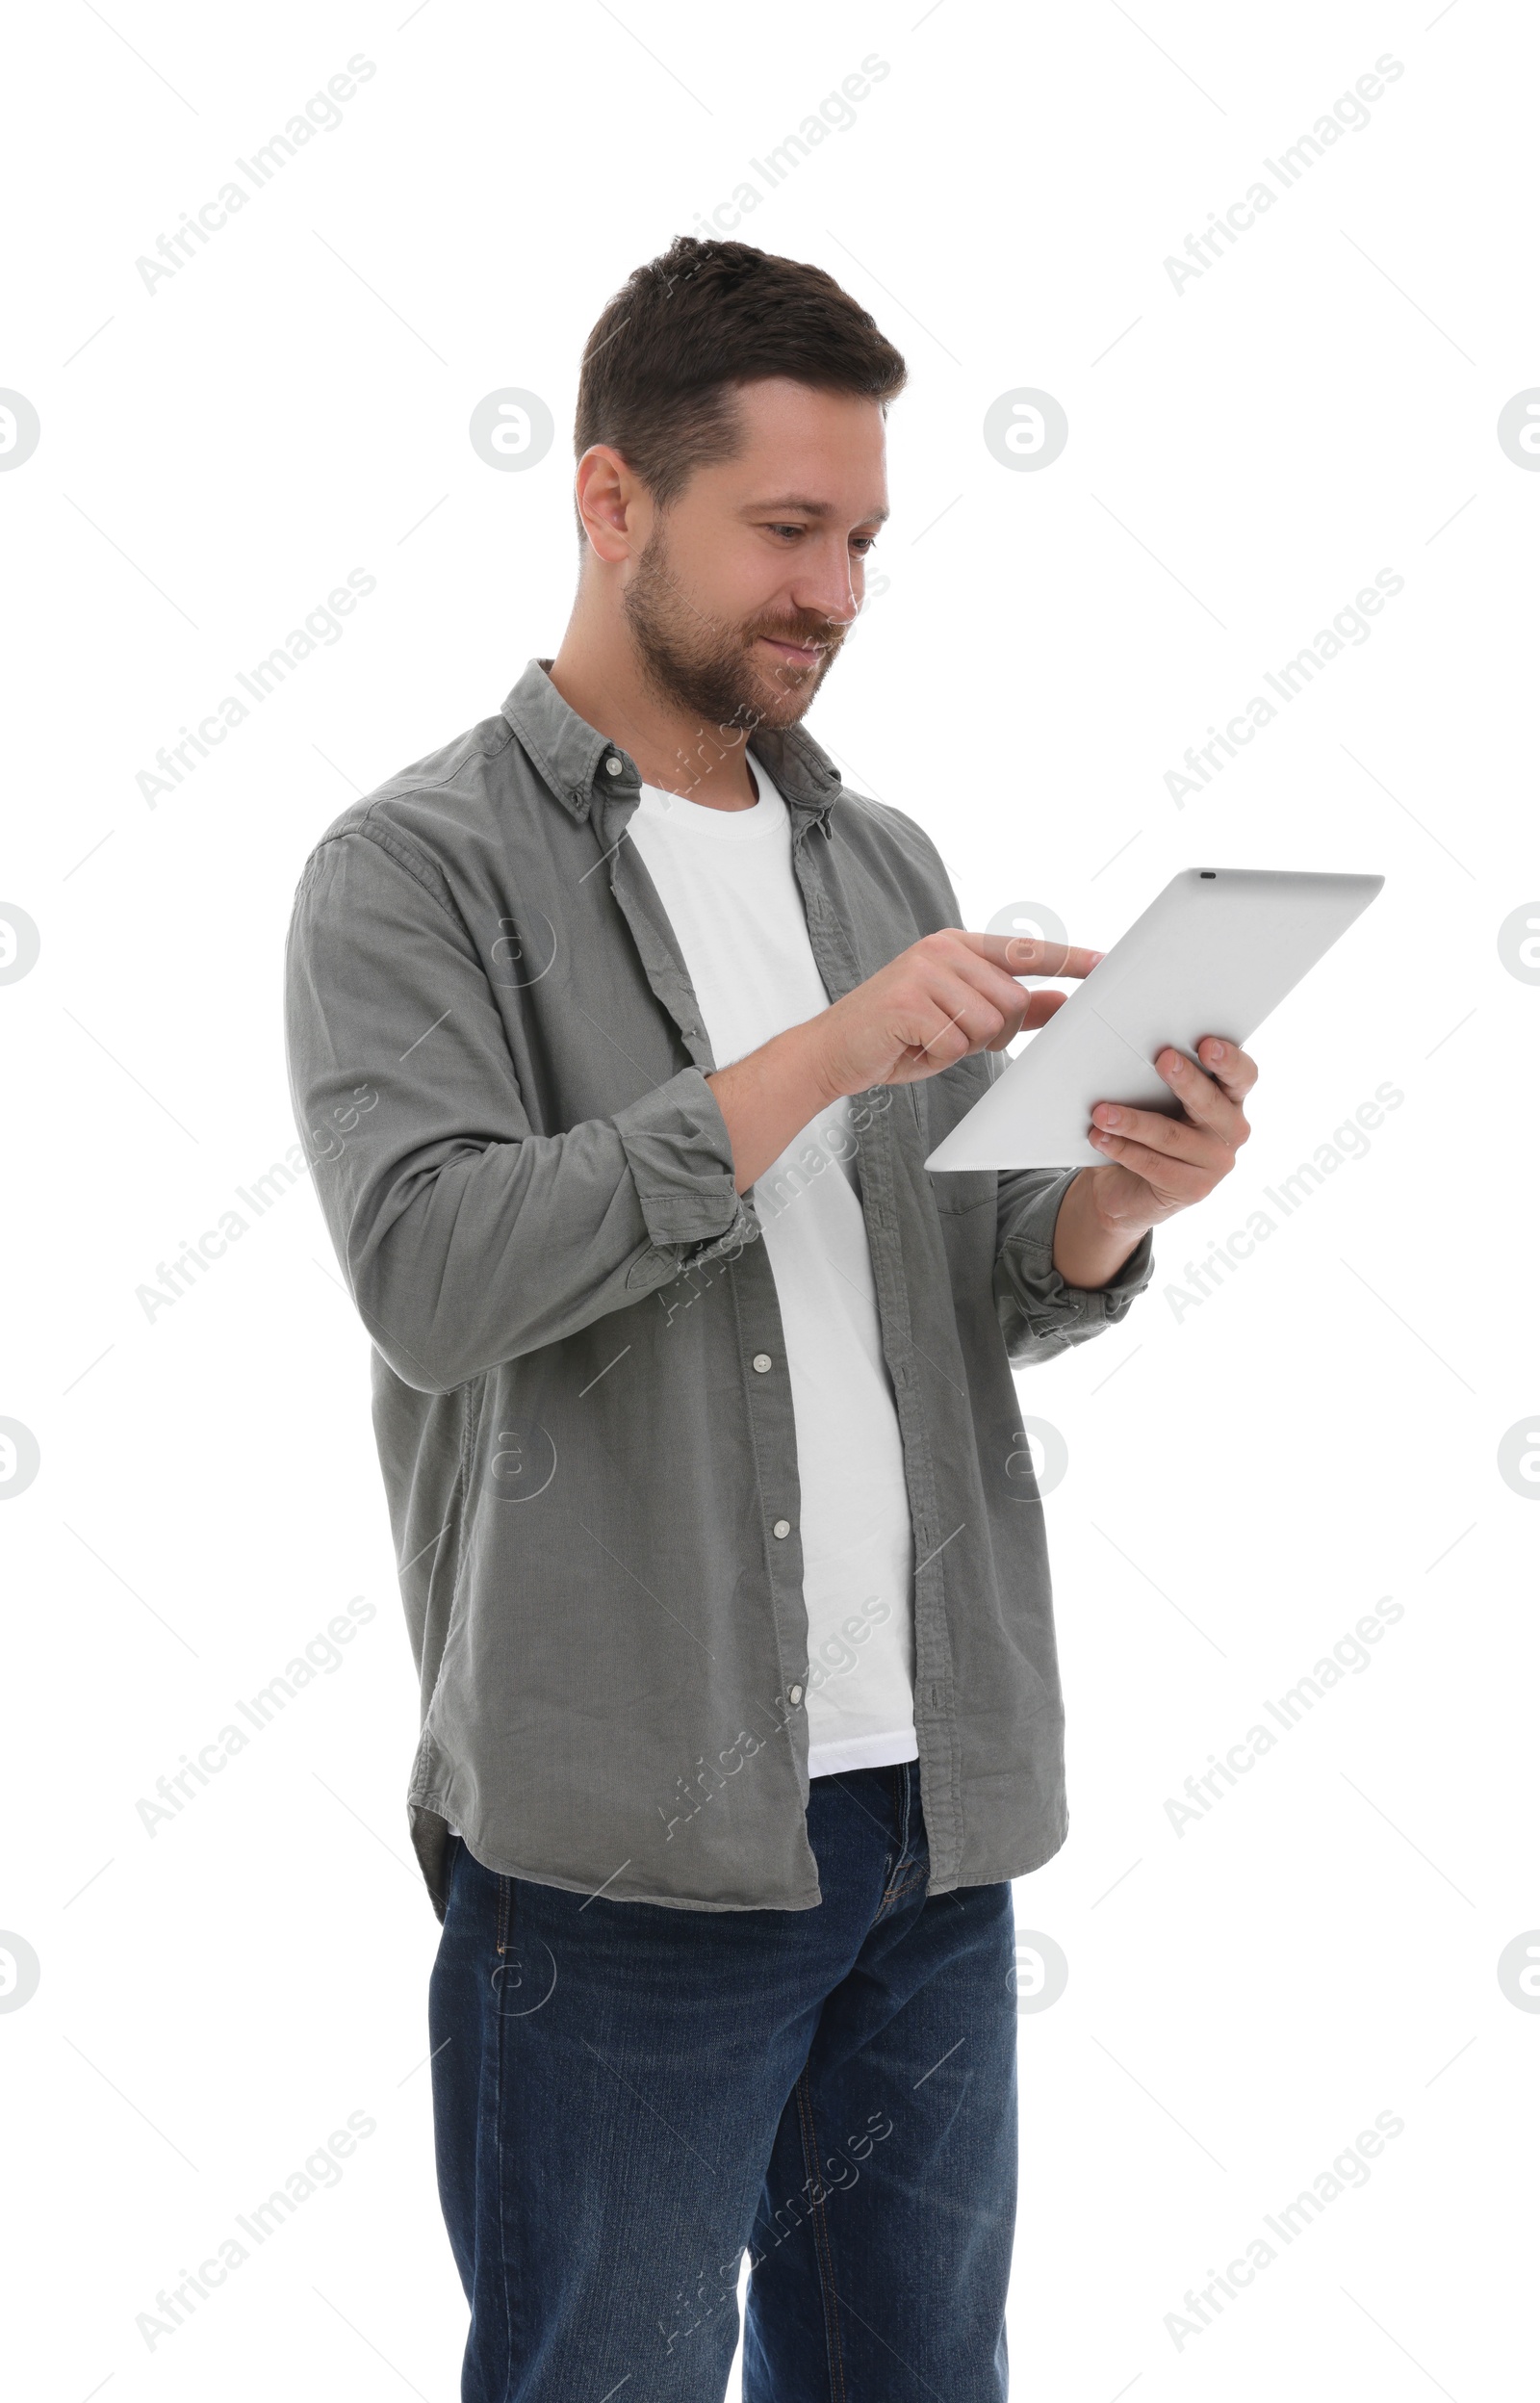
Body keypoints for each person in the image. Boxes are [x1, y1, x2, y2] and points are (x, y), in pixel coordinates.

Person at [283, 235, 1256, 2403]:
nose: (830, 589)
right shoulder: (411, 873)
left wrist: (1103, 1201)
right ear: (611, 502)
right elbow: (436, 1277)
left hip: (925, 1808)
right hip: (617, 1846)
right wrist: (814, 1057)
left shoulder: (874, 859)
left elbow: (946, 1295)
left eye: (862, 540)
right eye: (785, 531)